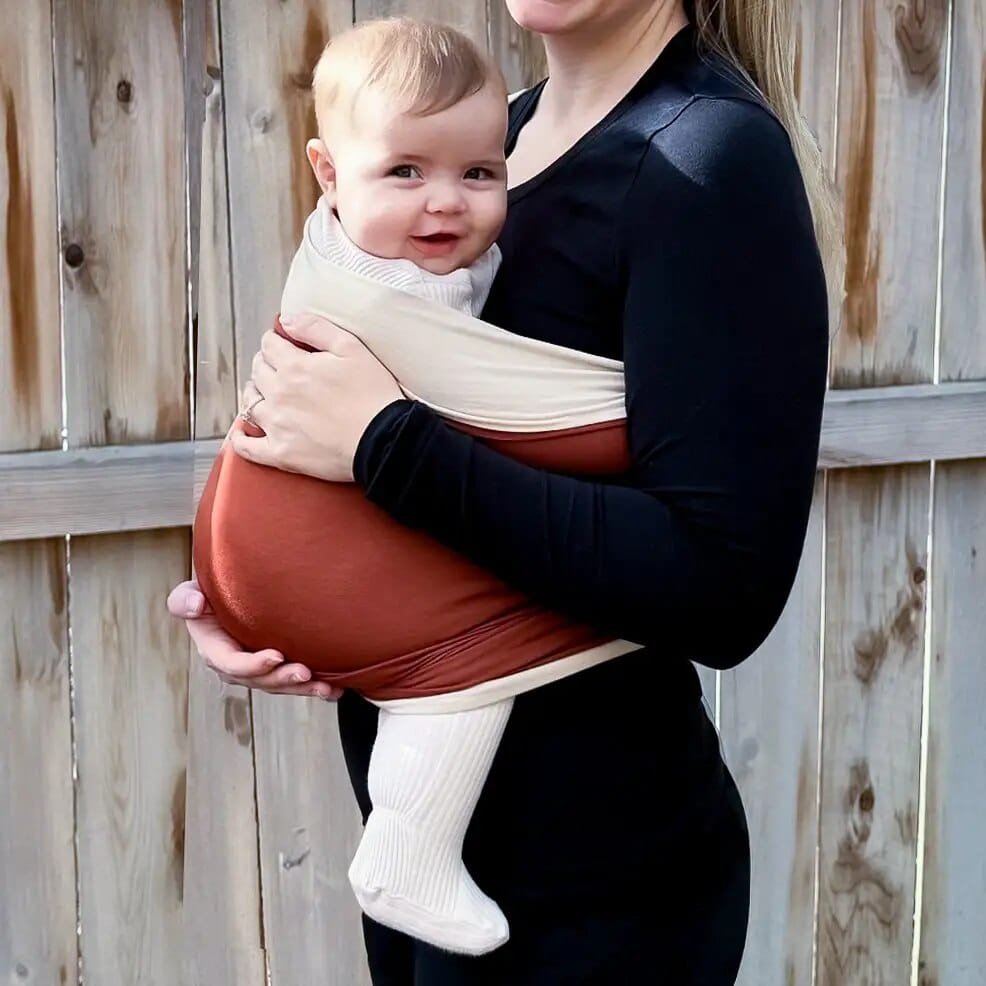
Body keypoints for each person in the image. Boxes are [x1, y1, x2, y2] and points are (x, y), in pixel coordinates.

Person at [169, 0, 837, 981]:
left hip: (589, 889)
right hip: (427, 856)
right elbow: (390, 433)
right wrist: (255, 589)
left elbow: (722, 583)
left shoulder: (703, 161)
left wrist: (380, 441)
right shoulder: (492, 136)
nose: (450, 193)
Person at [194, 17, 647, 956]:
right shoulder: (398, 294)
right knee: (499, 644)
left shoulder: (367, 251)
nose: (447, 203)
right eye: (406, 172)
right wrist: (651, 409)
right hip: (304, 554)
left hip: (273, 551)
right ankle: (409, 845)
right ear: (327, 173)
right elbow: (509, 403)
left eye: (480, 175)